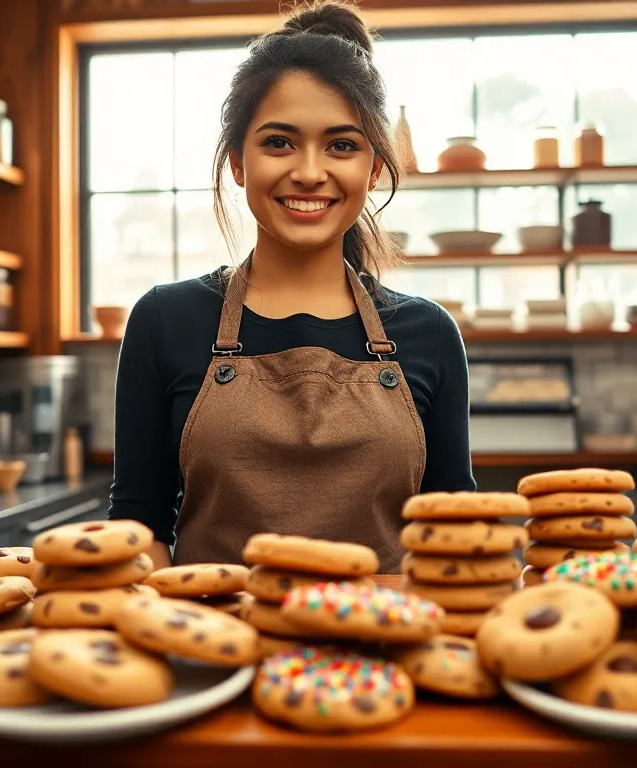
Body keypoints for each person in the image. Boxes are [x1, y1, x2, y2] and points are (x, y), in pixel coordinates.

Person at [107, 0, 474, 572]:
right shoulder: (163, 319)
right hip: (214, 651)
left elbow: (459, 538)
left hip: (384, 652)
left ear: (374, 168)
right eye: (279, 142)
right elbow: (139, 528)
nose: (308, 171)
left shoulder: (428, 333)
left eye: (342, 145)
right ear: (237, 162)